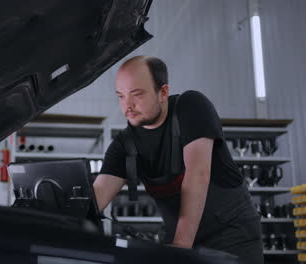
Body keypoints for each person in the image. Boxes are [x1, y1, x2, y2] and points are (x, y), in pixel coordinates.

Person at [93, 56, 264, 264]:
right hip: (177, 237)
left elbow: (197, 176)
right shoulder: (125, 144)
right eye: (121, 96)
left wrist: (180, 250)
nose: (127, 105)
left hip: (232, 234)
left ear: (163, 92)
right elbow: (97, 196)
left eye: (136, 94)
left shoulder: (190, 107)